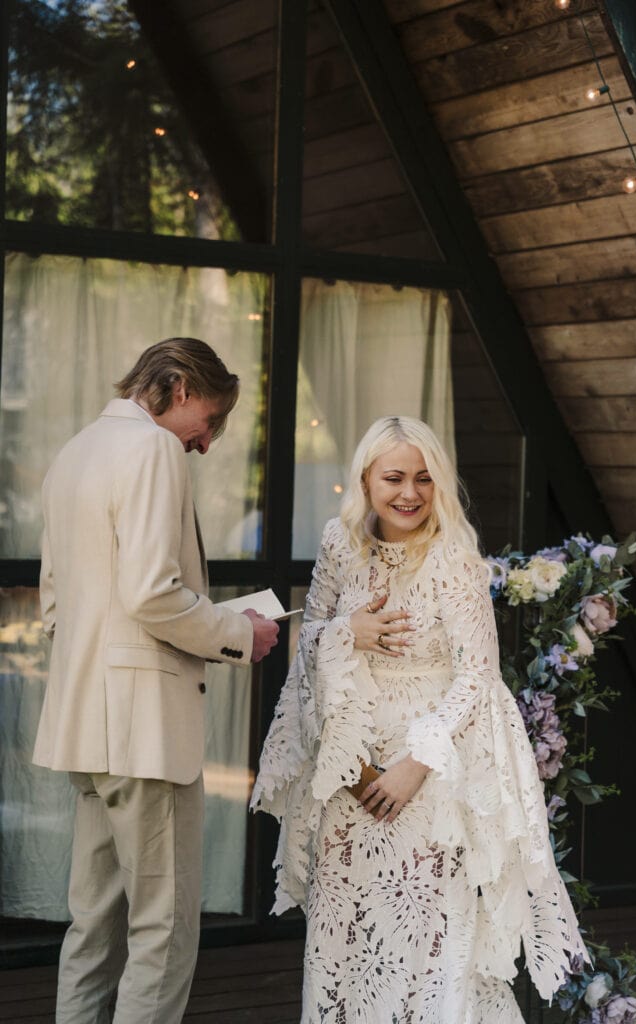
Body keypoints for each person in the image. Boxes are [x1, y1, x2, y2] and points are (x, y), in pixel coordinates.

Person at [251, 415, 587, 1023]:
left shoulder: (454, 559)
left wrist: (416, 764)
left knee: (427, 937)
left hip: (428, 775)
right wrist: (343, 635)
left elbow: (478, 676)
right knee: (347, 934)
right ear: (365, 480)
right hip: (348, 768)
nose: (409, 493)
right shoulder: (338, 543)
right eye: (395, 478)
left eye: (425, 479)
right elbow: (307, 651)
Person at [33, 337, 279, 1024]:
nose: (207, 441)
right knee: (163, 932)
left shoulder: (75, 451)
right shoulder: (153, 450)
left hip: (86, 725)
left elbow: (56, 604)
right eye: (210, 418)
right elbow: (150, 594)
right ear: (177, 389)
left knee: (94, 926)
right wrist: (239, 632)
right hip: (142, 735)